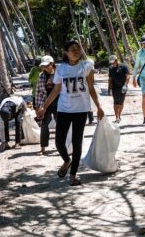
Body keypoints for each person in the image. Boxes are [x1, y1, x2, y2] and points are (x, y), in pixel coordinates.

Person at [36, 41, 105, 186]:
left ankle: (73, 175)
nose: (76, 51)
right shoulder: (61, 69)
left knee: (77, 142)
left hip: (81, 110)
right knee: (59, 142)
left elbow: (91, 88)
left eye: (78, 49)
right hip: (64, 110)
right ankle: (67, 160)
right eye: (72, 49)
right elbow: (56, 90)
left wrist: (98, 106)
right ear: (66, 52)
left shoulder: (86, 66)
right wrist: (44, 107)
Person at [35, 55, 57, 155]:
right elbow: (38, 92)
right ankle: (43, 147)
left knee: (61, 125)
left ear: (52, 64)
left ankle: (64, 145)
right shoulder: (41, 76)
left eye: (46, 65)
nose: (45, 68)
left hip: (59, 103)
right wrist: (38, 107)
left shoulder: (58, 73)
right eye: (43, 66)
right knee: (44, 125)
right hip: (46, 104)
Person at [108, 55, 130, 123]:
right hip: (115, 87)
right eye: (111, 63)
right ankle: (117, 117)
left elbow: (128, 76)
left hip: (123, 87)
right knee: (116, 102)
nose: (112, 64)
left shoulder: (124, 66)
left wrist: (125, 85)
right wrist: (109, 88)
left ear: (116, 60)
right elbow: (110, 79)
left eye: (113, 62)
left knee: (121, 102)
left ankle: (119, 115)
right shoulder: (111, 68)